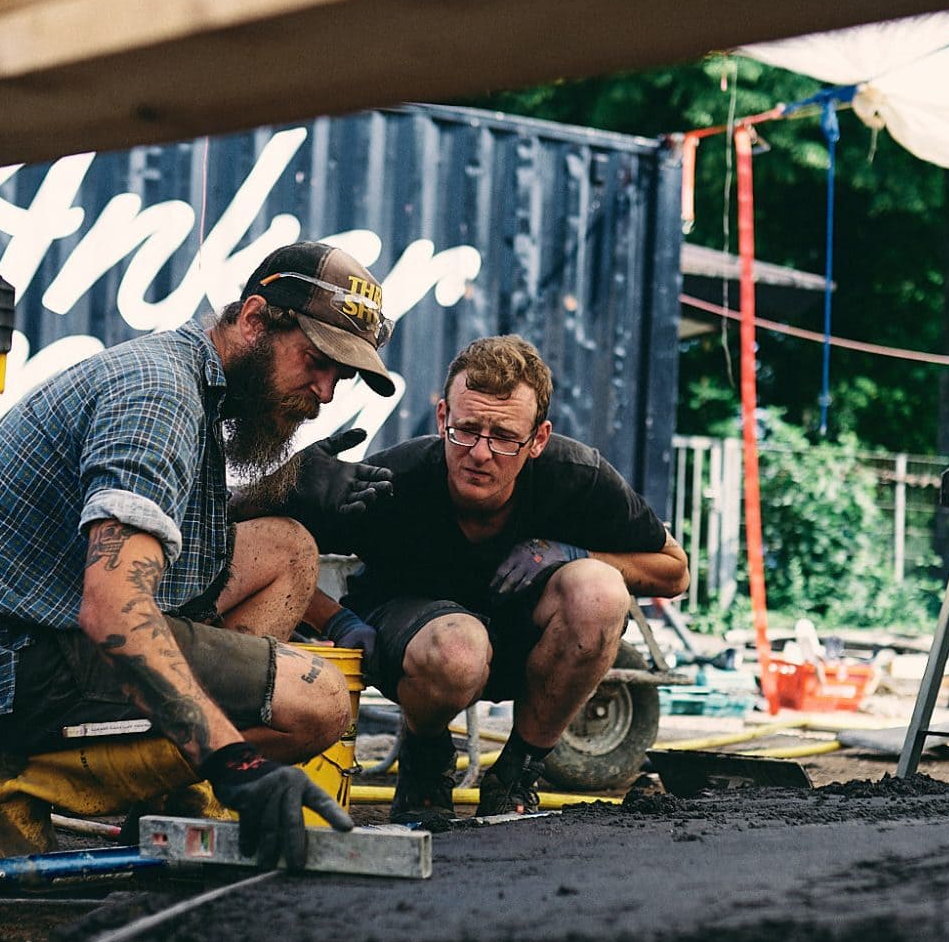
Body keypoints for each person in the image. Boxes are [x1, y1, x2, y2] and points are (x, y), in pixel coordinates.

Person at [0, 241, 401, 864]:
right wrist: (237, 761)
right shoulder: (159, 396)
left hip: (31, 627)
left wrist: (285, 488)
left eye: (343, 375)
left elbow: (178, 537)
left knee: (288, 547)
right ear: (254, 318)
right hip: (8, 670)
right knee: (320, 700)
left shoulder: (196, 381)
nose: (327, 392)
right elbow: (113, 609)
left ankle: (174, 793)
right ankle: (11, 780)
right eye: (316, 361)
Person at [281, 334, 689, 824]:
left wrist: (571, 552)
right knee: (459, 649)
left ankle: (517, 770)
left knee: (600, 592)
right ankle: (427, 755)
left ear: (538, 439)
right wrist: (338, 621)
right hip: (420, 647)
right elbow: (277, 546)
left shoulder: (578, 477)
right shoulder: (395, 479)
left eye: (504, 437)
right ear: (442, 418)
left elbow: (674, 570)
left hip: (529, 643)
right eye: (466, 430)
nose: (479, 453)